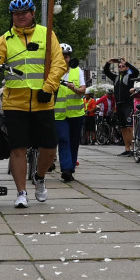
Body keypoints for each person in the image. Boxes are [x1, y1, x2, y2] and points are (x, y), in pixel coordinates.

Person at [0, 0, 67, 208]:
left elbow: (59, 64)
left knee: (49, 148)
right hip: (15, 102)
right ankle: (21, 192)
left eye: (24, 13)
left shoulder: (47, 34)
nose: (20, 17)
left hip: (43, 100)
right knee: (18, 148)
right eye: (16, 14)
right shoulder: (5, 39)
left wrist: (48, 87)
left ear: (32, 13)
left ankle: (39, 178)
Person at [55, 43, 86, 182]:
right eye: (62, 56)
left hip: (76, 114)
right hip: (59, 114)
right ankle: (66, 169)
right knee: (63, 139)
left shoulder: (77, 70)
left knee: (74, 142)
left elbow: (83, 90)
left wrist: (75, 89)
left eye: (66, 56)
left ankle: (71, 168)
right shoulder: (53, 71)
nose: (64, 59)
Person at [103, 56, 139, 155]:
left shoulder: (130, 76)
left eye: (123, 66)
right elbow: (106, 71)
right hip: (119, 105)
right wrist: (109, 62)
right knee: (122, 127)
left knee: (129, 127)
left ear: (126, 68)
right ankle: (127, 149)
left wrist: (127, 62)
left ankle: (133, 149)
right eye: (119, 66)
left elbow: (136, 72)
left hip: (128, 104)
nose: (121, 67)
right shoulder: (116, 78)